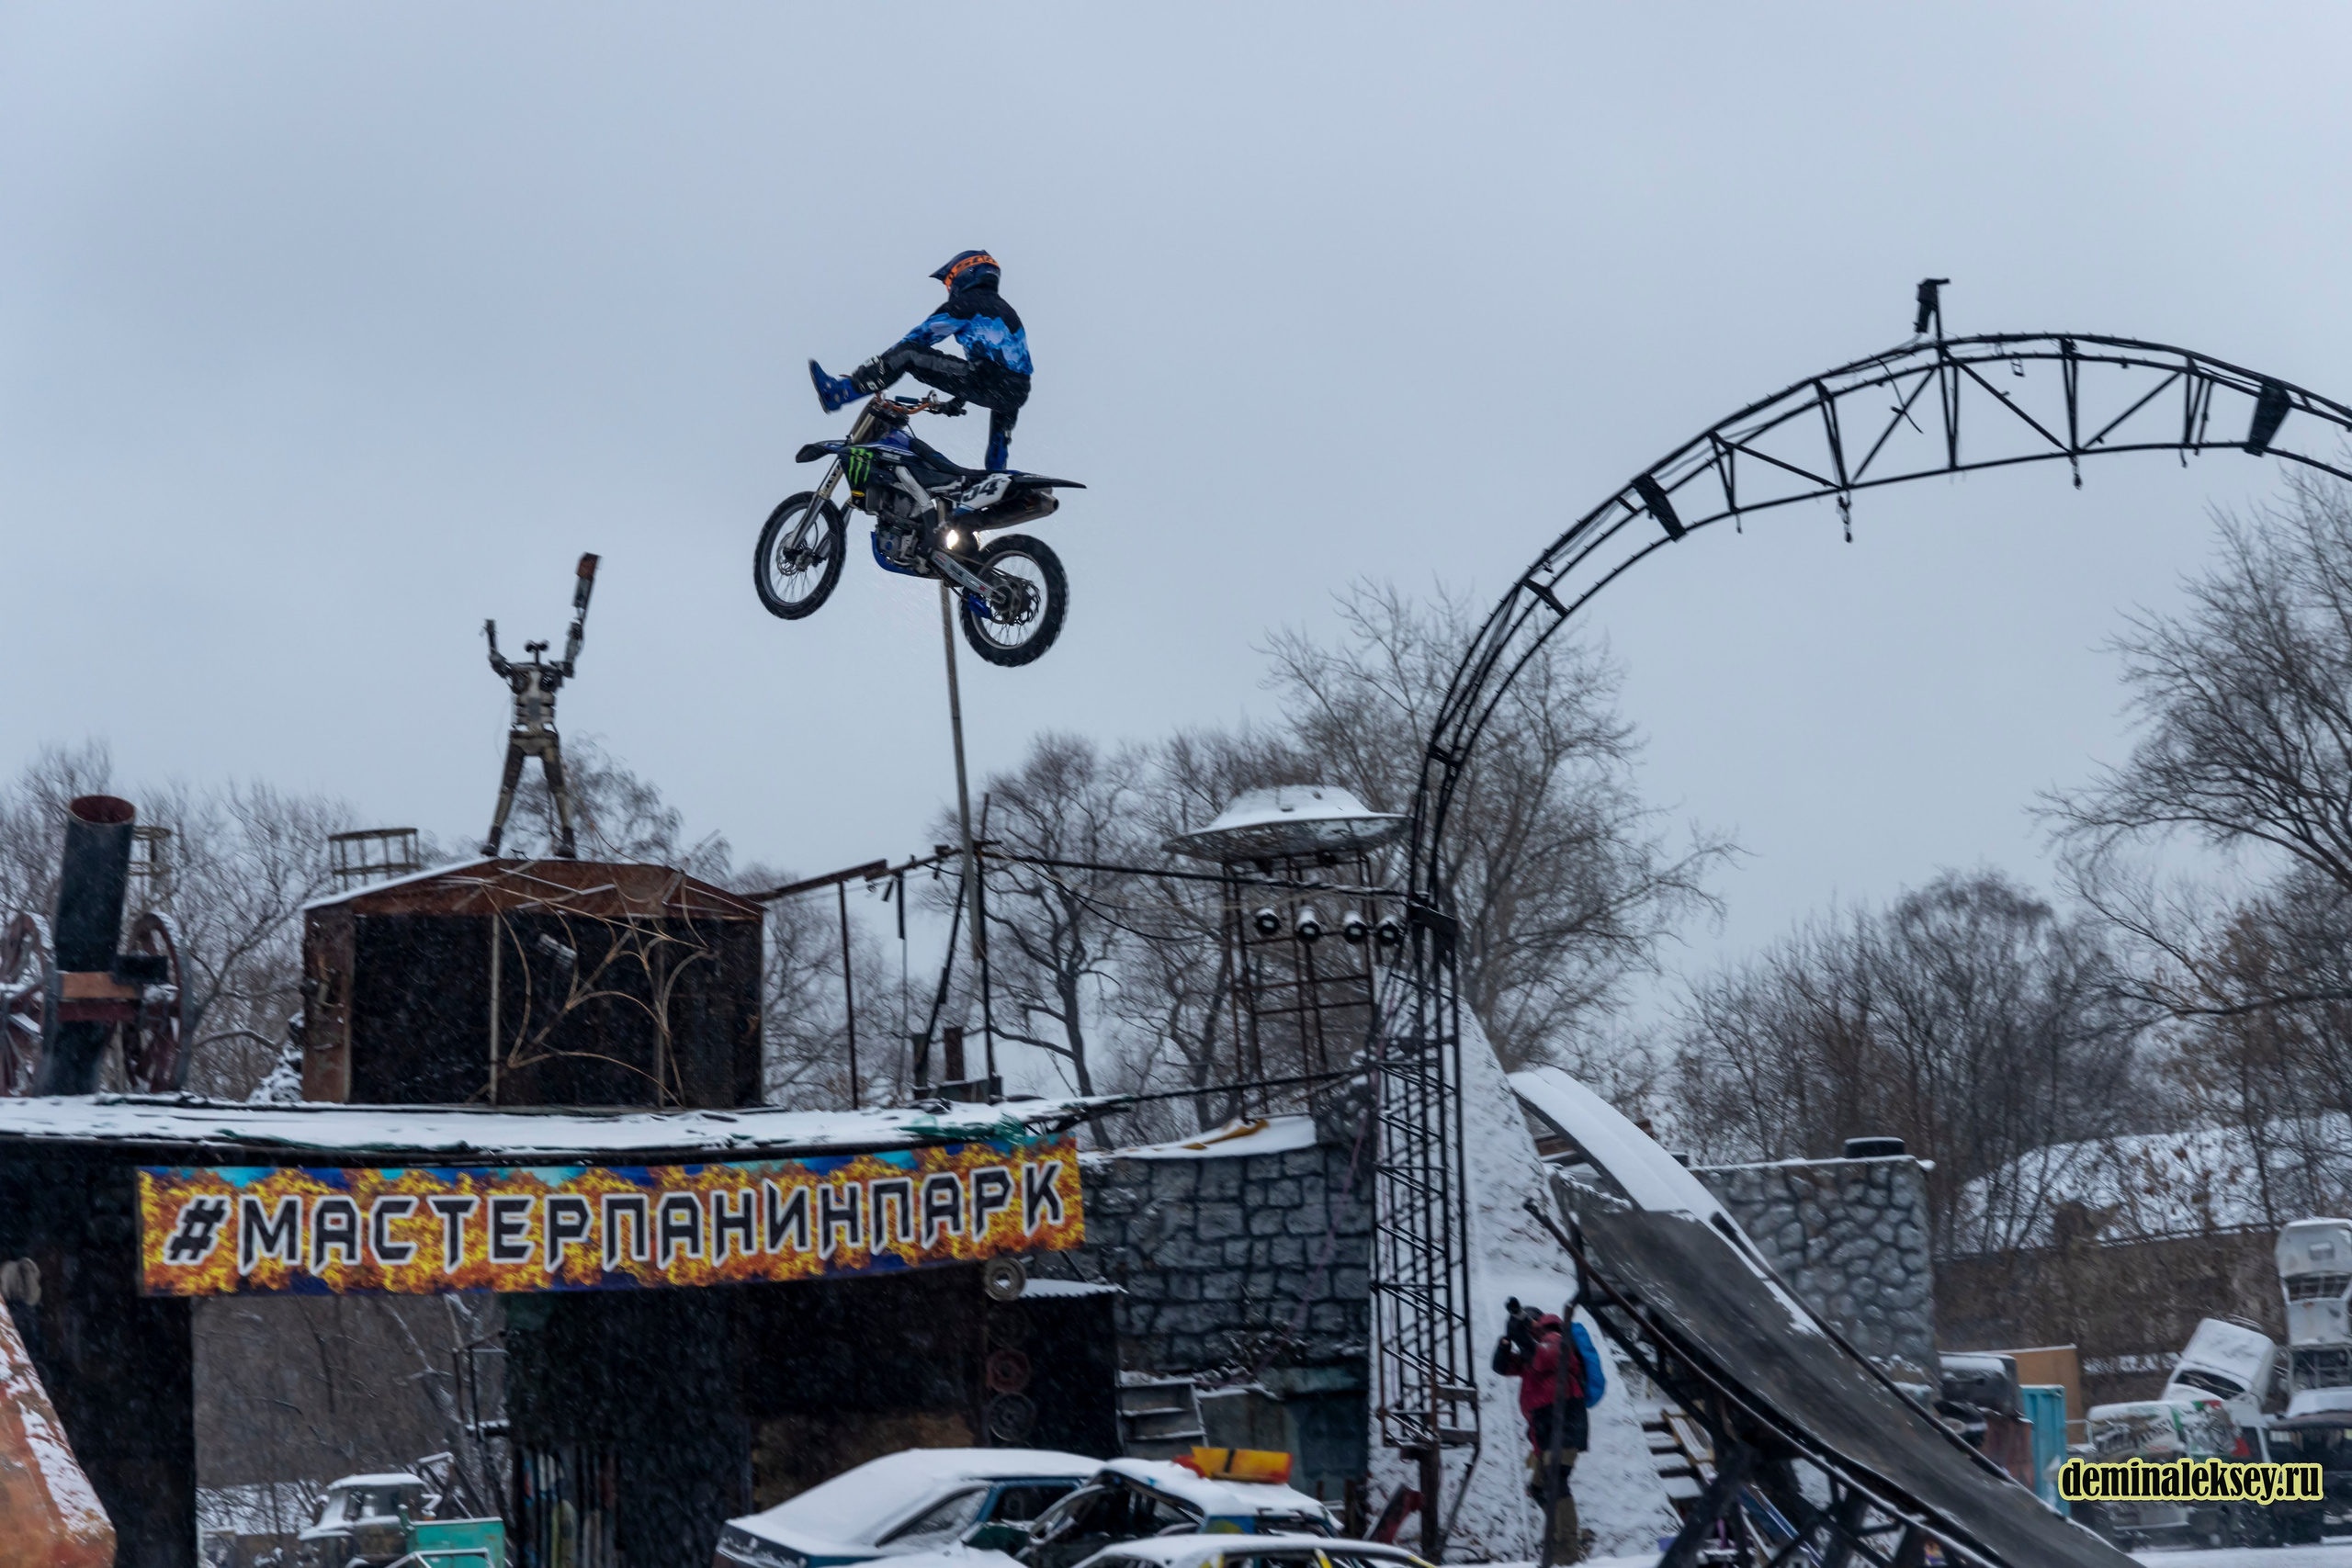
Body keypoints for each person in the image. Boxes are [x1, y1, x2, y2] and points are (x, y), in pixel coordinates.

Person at [808, 250, 1033, 471]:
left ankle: (840, 393)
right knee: (997, 448)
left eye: (950, 282)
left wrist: (874, 372)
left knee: (907, 353)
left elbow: (918, 339)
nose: (949, 288)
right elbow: (999, 365)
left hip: (988, 379)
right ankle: (997, 480)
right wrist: (957, 401)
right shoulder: (1006, 310)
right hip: (1016, 391)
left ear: (967, 273)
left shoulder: (968, 304)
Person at [1494, 1302, 1607, 1563]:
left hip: (1566, 1422)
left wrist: (1521, 1335)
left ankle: (1566, 1545)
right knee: (1539, 1488)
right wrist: (1505, 1342)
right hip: (1546, 1429)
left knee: (1556, 1479)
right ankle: (1566, 1535)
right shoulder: (1531, 1354)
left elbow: (1543, 1357)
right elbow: (1501, 1367)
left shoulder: (1556, 1338)